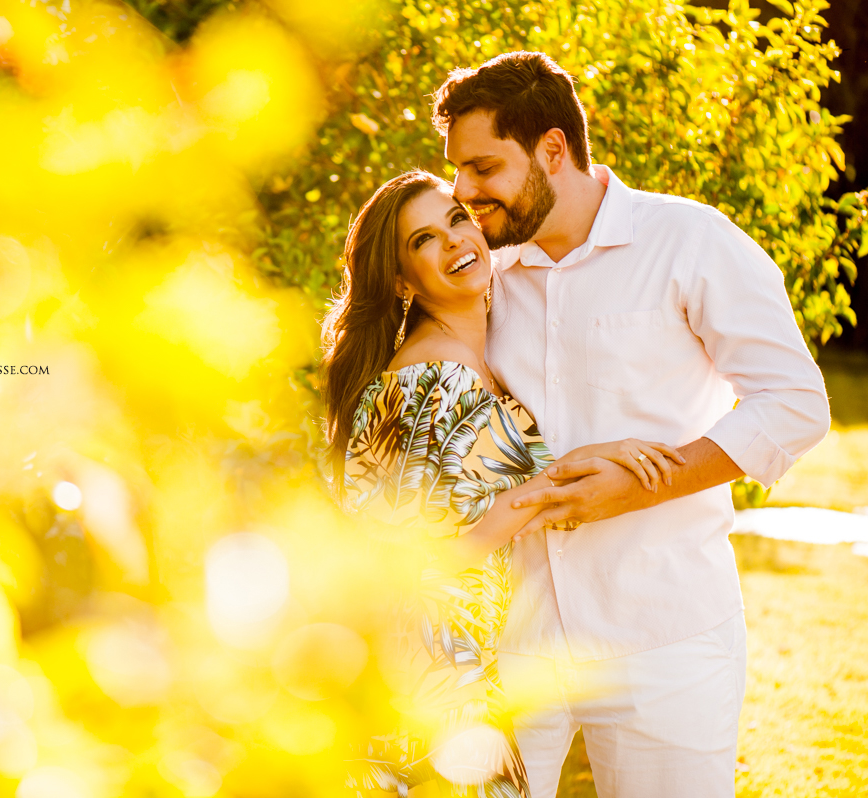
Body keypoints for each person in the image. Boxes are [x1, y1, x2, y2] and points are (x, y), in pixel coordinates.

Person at [429, 51, 830, 798]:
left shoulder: (690, 242)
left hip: (666, 634)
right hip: (513, 642)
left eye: (483, 168)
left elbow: (796, 403)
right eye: (457, 171)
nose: (464, 192)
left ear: (553, 150)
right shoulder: (483, 272)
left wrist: (640, 487)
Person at [321, 170, 683, 797]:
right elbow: (422, 559)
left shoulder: (473, 360)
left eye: (458, 219)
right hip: (427, 684)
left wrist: (584, 462)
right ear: (402, 281)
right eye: (424, 240)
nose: (456, 241)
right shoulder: (426, 383)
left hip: (467, 669)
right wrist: (542, 489)